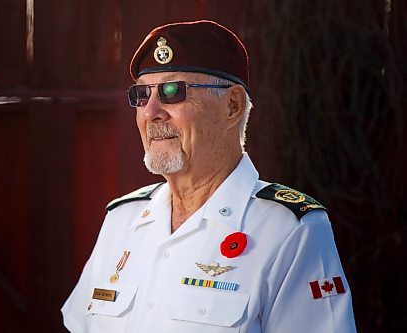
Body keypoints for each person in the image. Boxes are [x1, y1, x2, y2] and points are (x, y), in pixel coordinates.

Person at [61, 20, 357, 333]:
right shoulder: (122, 221)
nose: (151, 112)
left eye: (173, 91)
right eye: (142, 95)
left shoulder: (290, 231)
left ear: (232, 106)